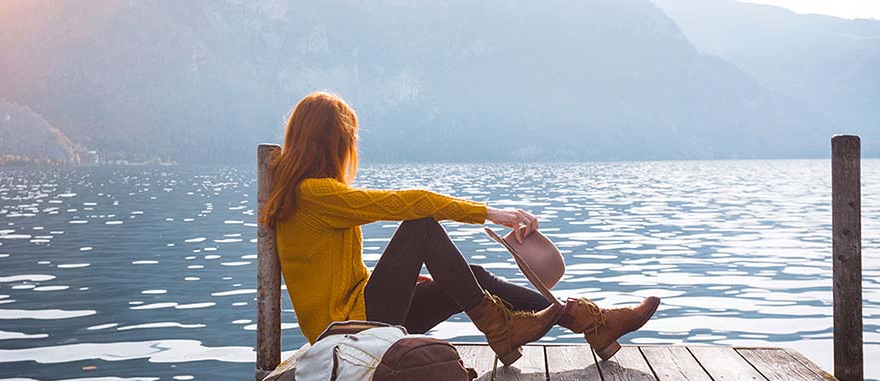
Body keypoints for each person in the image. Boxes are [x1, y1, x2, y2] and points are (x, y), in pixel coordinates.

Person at [259, 91, 660, 364]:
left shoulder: (302, 194)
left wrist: (417, 277)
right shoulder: (316, 194)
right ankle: (512, 327)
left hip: (357, 321)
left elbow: (338, 279)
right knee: (419, 225)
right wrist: (491, 214)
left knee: (472, 278)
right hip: (348, 336)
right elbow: (412, 203)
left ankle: (592, 324)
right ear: (334, 142)